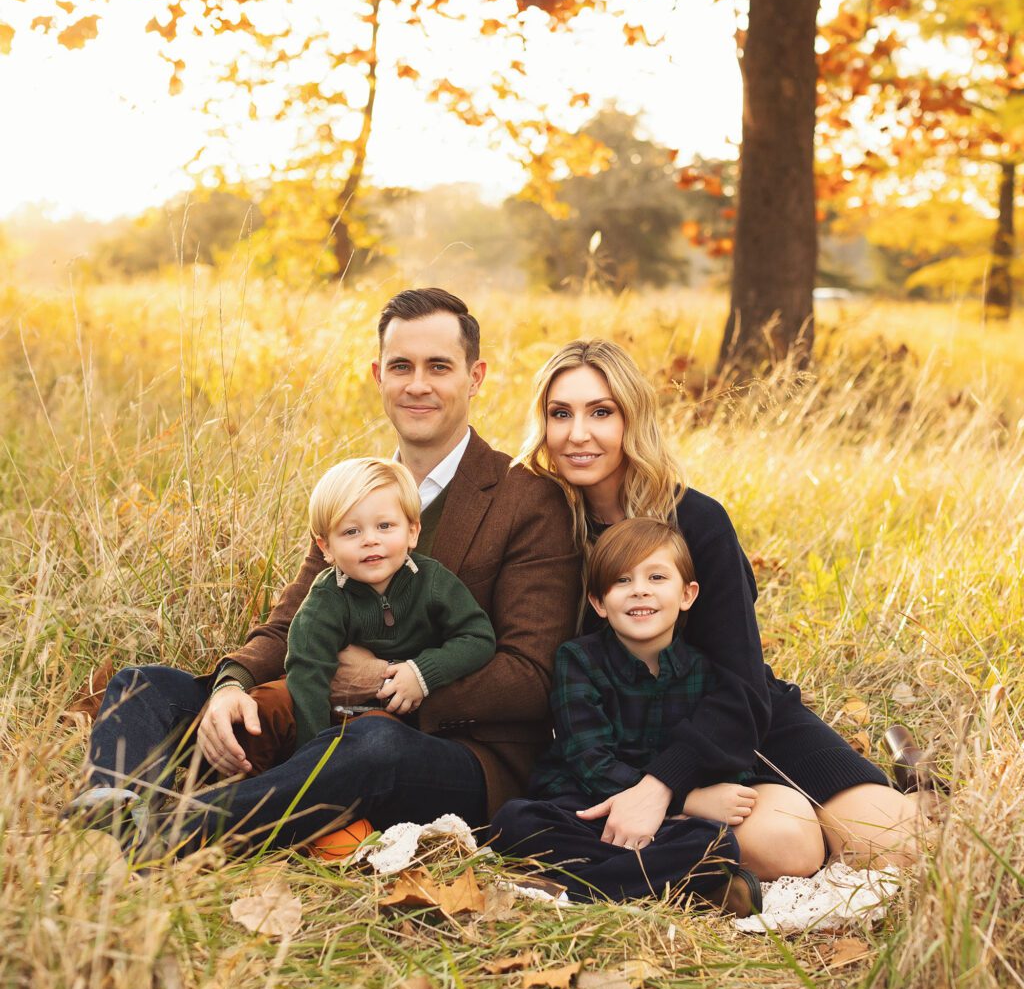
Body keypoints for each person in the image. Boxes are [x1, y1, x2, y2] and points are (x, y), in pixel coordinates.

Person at [66, 288, 580, 855]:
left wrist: (390, 682)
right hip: (321, 723)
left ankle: (175, 832)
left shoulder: (526, 497)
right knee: (146, 687)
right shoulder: (357, 492)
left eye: (439, 367)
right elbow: (290, 626)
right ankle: (110, 815)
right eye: (400, 366)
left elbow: (532, 676)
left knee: (373, 744)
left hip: (450, 751)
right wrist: (232, 685)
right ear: (377, 376)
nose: (417, 384)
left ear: (475, 377)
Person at [512, 338, 923, 879]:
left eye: (601, 412)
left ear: (632, 420)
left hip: (733, 723)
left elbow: (743, 682)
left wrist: (664, 785)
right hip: (622, 743)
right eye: (560, 413)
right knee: (788, 846)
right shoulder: (543, 525)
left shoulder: (697, 521)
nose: (577, 433)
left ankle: (915, 795)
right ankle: (765, 835)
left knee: (893, 847)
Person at [492, 517, 763, 909]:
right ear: (599, 603)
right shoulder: (578, 660)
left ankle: (571, 888)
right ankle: (663, 886)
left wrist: (679, 808)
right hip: (586, 807)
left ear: (687, 594)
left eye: (656, 578)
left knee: (715, 844)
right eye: (622, 581)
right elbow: (590, 762)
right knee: (514, 821)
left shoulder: (703, 671)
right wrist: (685, 801)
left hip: (662, 828)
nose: (639, 591)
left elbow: (720, 758)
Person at [243, 457, 496, 770]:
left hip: (393, 718)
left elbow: (478, 636)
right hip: (329, 711)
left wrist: (422, 673)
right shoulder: (325, 600)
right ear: (326, 548)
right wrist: (311, 763)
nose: (370, 539)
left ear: (413, 532)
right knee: (266, 706)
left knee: (374, 730)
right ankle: (251, 787)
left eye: (385, 526)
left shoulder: (432, 582)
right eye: (351, 532)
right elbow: (308, 676)